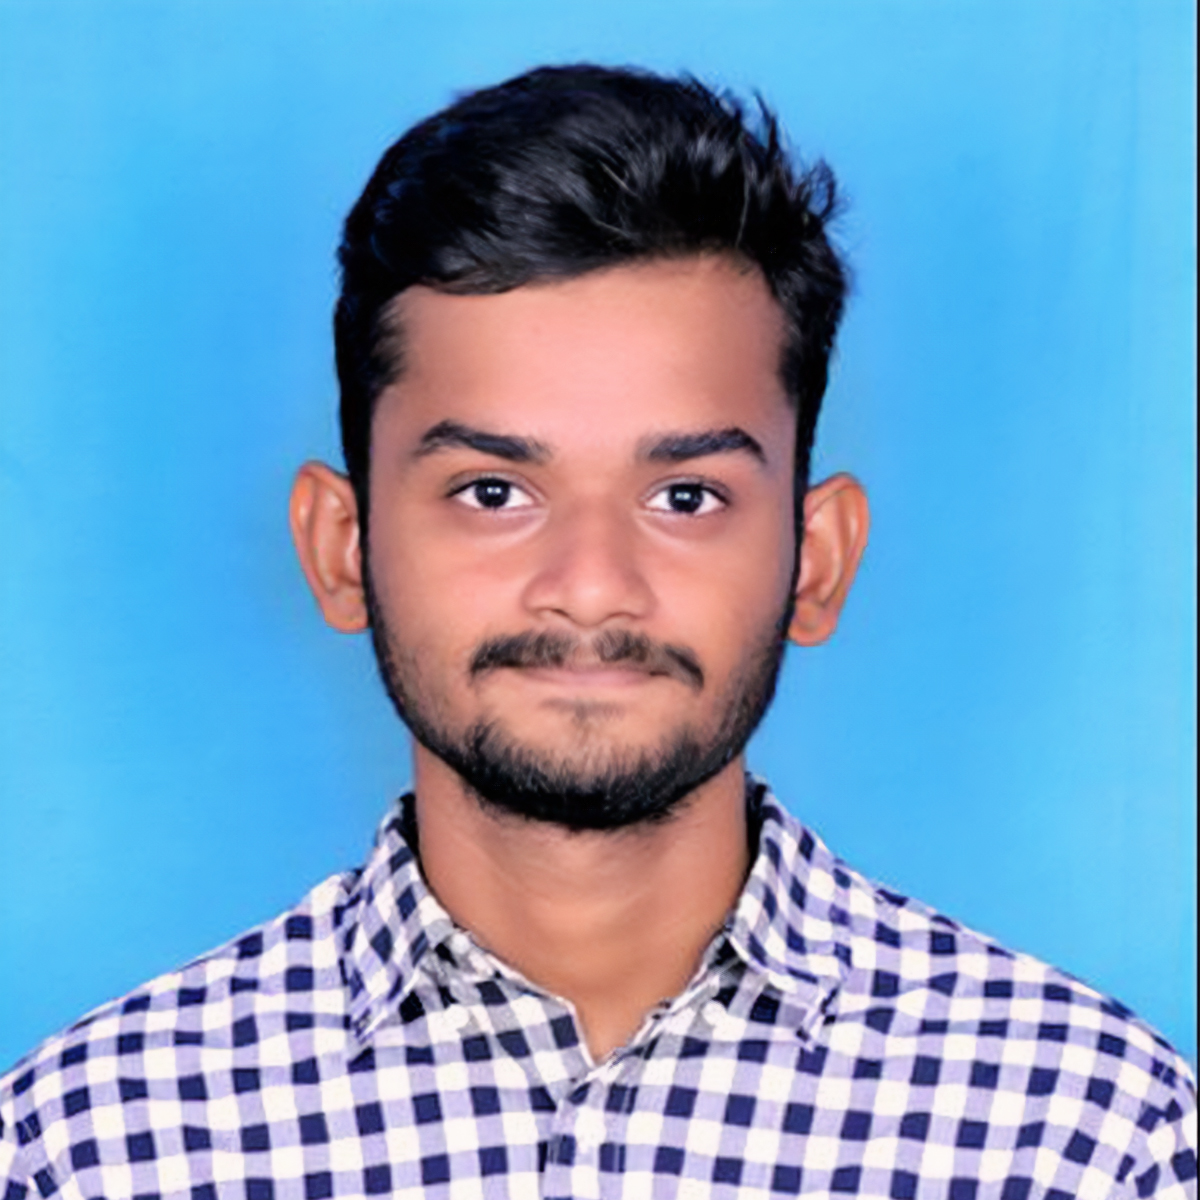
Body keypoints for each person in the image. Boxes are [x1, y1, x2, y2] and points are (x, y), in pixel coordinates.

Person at [1, 63, 1194, 1200]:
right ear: (340, 547)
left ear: (817, 560)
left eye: (685, 498)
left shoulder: (1086, 1138)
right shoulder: (95, 1148)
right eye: (492, 492)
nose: (589, 587)